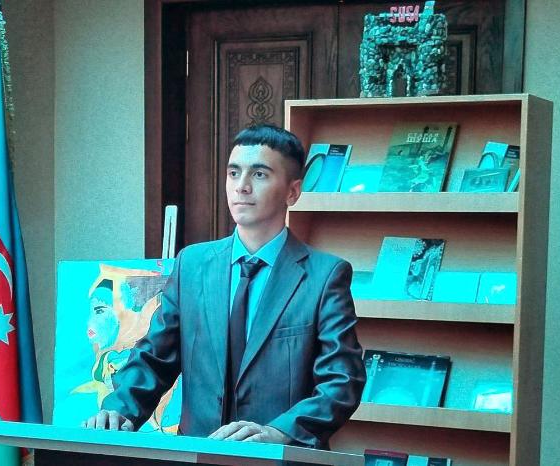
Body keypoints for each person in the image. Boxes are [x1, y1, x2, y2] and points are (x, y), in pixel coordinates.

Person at [82, 124, 365, 449]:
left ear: (292, 192)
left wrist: (282, 432)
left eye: (259, 174)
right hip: (197, 453)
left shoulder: (325, 275)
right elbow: (155, 355)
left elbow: (343, 380)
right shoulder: (192, 264)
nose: (241, 186)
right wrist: (119, 411)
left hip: (278, 457)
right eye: (233, 173)